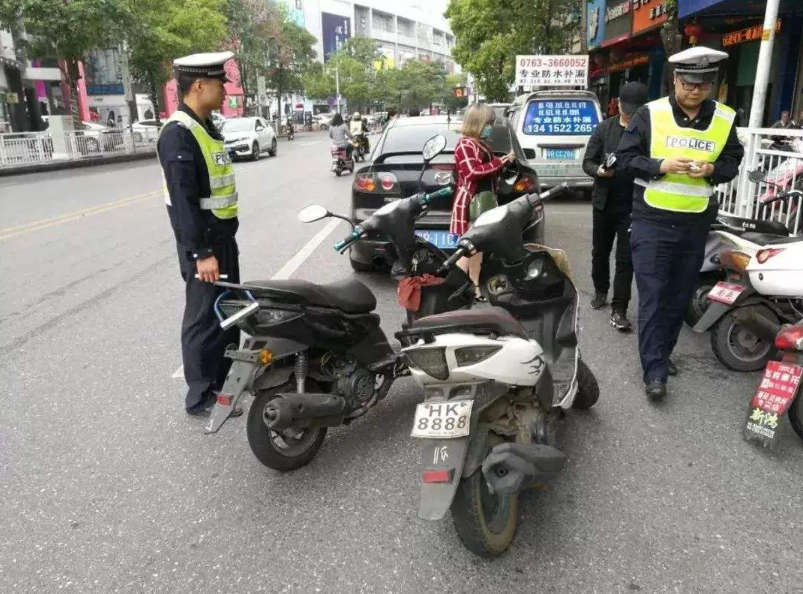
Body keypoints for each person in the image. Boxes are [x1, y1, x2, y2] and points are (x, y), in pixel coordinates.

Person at [617, 46, 744, 402]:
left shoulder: (724, 119)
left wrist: (712, 170)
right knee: (654, 296)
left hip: (695, 223)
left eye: (703, 85)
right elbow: (626, 159)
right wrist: (660, 165)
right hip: (652, 220)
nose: (695, 91)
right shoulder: (650, 114)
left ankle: (662, 353)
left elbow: (733, 160)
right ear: (676, 80)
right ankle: (654, 371)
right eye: (689, 84)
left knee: (677, 298)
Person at [156, 51, 242, 417]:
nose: (226, 89)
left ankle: (224, 384)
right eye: (220, 82)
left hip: (222, 240)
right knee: (203, 317)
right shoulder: (178, 134)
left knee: (228, 312)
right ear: (199, 85)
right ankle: (200, 394)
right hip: (205, 244)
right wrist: (201, 253)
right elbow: (183, 202)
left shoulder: (206, 126)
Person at [583, 81, 648, 332]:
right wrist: (598, 171)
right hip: (604, 202)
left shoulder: (646, 133)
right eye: (624, 107)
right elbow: (587, 162)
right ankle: (600, 290)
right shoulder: (603, 129)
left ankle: (619, 308)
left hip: (633, 204)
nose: (627, 114)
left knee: (625, 258)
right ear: (618, 103)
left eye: (633, 111)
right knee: (600, 252)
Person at [451, 104, 516, 301]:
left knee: (476, 249)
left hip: (485, 202)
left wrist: (503, 161)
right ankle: (451, 288)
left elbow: (487, 170)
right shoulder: (465, 145)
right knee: (469, 248)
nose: (491, 126)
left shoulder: (480, 144)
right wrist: (499, 162)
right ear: (478, 123)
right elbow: (473, 172)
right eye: (488, 123)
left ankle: (475, 287)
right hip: (473, 203)